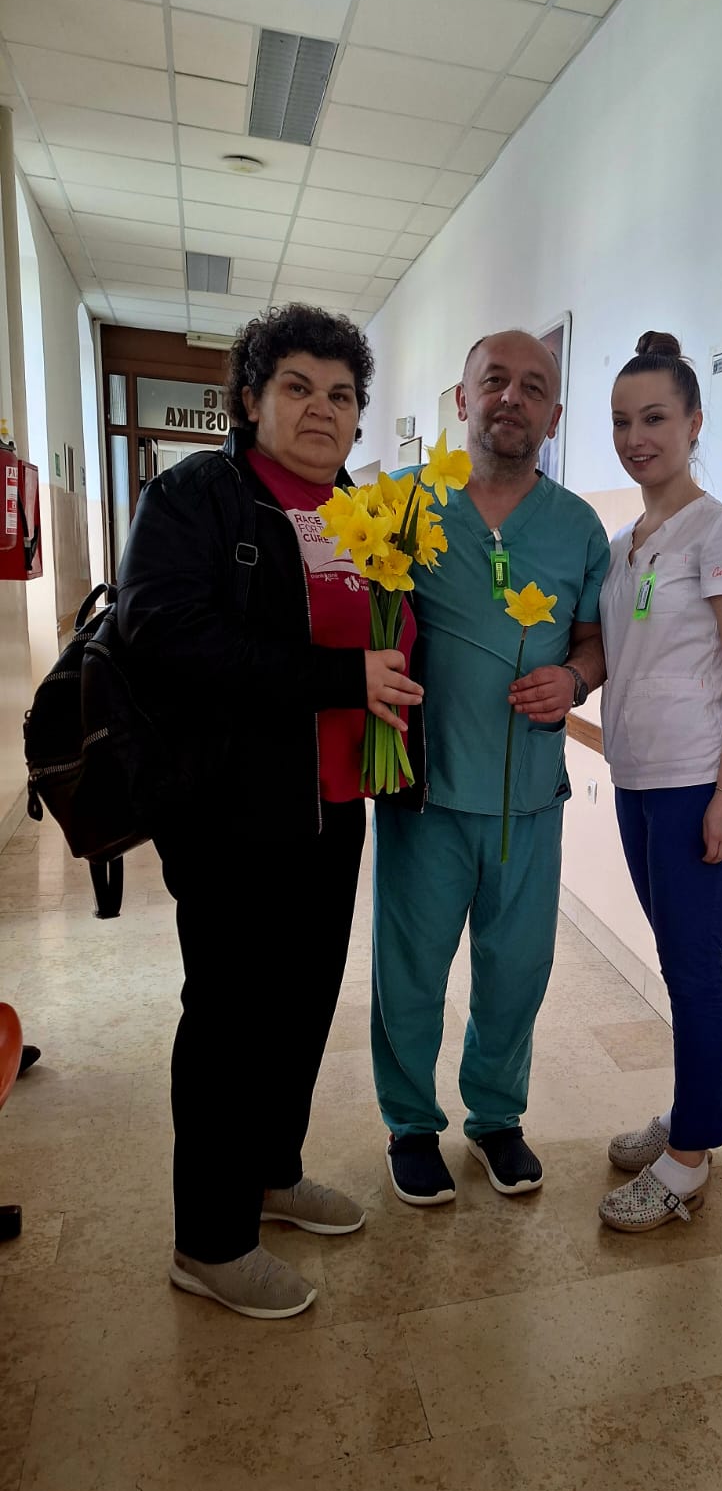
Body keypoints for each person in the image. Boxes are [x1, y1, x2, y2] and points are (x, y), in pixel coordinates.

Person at [118, 305, 422, 1319]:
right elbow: (163, 635)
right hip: (230, 810)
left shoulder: (362, 512)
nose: (321, 409)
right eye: (297, 386)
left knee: (301, 1006)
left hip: (334, 807)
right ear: (250, 400)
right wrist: (340, 676)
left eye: (341, 394)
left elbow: (389, 629)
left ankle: (271, 1174)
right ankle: (208, 1240)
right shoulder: (196, 497)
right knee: (230, 1020)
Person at [372, 329, 609, 1206]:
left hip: (528, 799)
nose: (513, 397)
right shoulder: (405, 502)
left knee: (516, 972)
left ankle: (496, 1118)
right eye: (495, 380)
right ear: (462, 398)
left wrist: (575, 679)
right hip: (427, 794)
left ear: (555, 414)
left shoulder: (577, 527)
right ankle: (410, 1125)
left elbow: (594, 640)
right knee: (411, 973)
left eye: (534, 386)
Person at [598, 332, 722, 1232]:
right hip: (637, 780)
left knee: (696, 970)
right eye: (622, 422)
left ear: (694, 423)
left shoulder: (720, 530)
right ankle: (688, 1108)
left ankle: (689, 1159)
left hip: (700, 784)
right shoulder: (623, 544)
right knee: (678, 962)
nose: (637, 438)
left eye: (655, 418)